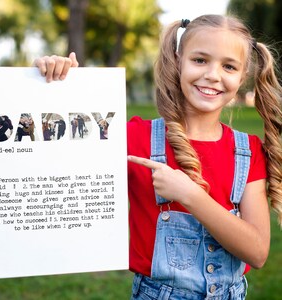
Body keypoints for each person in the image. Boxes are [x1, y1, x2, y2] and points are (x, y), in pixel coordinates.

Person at [34, 14, 282, 299]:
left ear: (243, 77)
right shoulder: (134, 138)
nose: (213, 75)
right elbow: (58, 154)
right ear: (178, 61)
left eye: (228, 66)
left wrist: (191, 195)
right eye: (200, 60)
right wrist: (50, 83)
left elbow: (259, 252)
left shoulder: (247, 151)